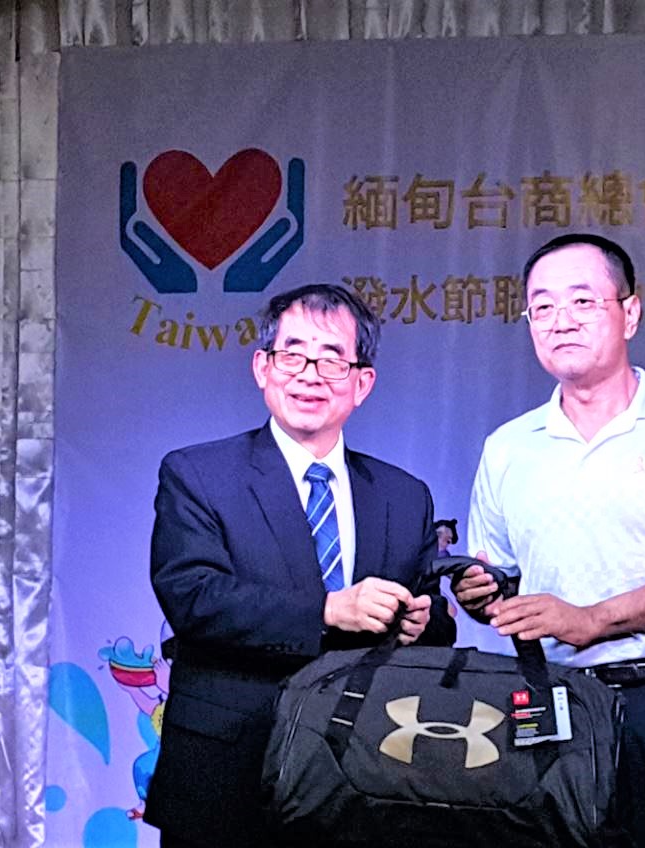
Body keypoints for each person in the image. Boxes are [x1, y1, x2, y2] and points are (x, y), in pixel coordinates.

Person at [454, 234, 645, 848]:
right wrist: (479, 594)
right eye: (542, 306)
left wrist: (592, 619)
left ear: (630, 313)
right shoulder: (508, 447)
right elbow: (500, 584)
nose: (560, 320)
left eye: (582, 301)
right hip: (549, 704)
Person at [145, 284, 455, 847]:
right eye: (292, 355)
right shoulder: (198, 474)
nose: (310, 375)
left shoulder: (403, 495)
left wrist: (420, 622)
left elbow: (433, 619)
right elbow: (193, 596)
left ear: (362, 383)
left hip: (364, 773)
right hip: (227, 773)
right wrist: (328, 610)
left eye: (332, 359)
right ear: (262, 368)